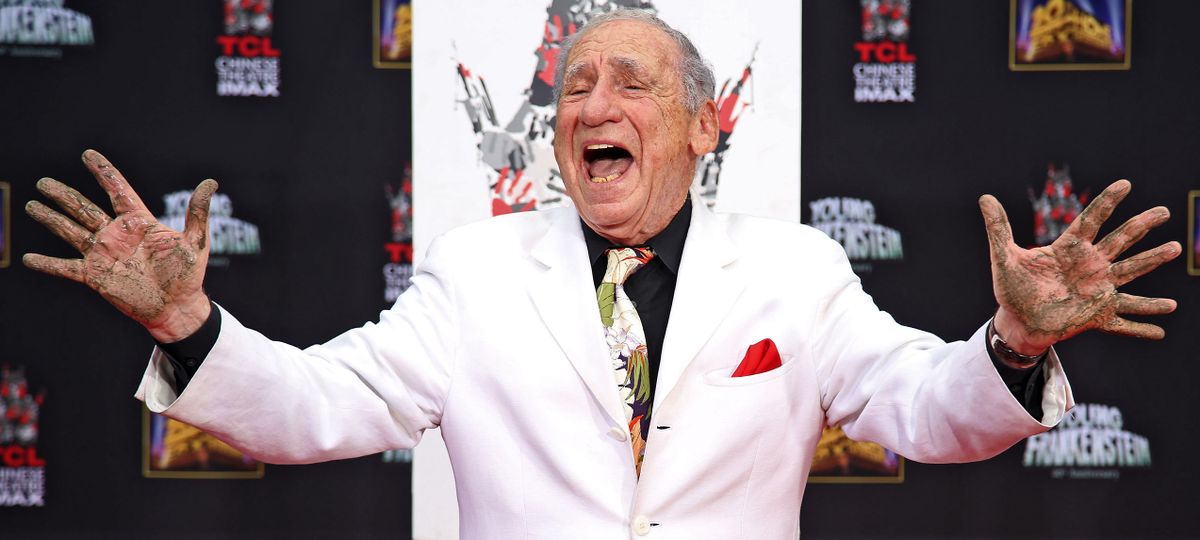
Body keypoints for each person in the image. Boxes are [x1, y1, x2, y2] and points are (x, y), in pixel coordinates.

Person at [23, 10, 1178, 539]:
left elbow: (925, 408)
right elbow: (324, 405)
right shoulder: (474, 274)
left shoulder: (796, 269)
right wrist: (188, 321)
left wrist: (1018, 346)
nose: (591, 106)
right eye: (574, 88)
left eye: (627, 82)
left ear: (701, 128)